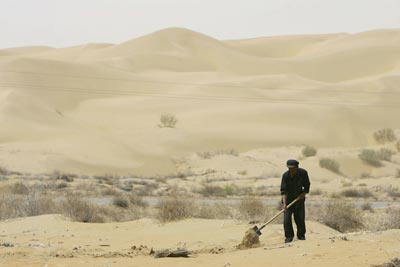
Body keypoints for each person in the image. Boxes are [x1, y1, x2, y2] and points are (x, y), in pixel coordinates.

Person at [280, 159, 310, 243]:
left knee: (300, 219)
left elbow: (307, 186)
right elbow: (283, 191)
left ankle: (301, 236)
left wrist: (303, 194)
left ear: (297, 167)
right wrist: (284, 204)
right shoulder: (285, 176)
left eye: (293, 169)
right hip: (288, 201)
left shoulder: (303, 173)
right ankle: (289, 237)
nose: (291, 171)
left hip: (299, 200)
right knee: (287, 220)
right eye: (289, 169)